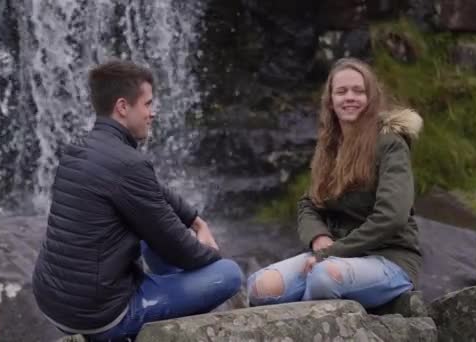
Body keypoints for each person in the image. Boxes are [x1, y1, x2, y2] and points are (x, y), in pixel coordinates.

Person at [32, 60, 243, 341]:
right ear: (122, 107)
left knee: (151, 235)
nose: (152, 113)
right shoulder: (128, 164)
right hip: (101, 316)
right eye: (147, 104)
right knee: (228, 274)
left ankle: (169, 291)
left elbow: (154, 190)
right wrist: (211, 254)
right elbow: (179, 247)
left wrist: (195, 220)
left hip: (52, 299)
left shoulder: (79, 148)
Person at [247, 58, 423, 309]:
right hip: (334, 256)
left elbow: (392, 217)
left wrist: (331, 253)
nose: (349, 97)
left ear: (371, 97)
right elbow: (309, 203)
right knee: (260, 287)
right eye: (341, 91)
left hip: (390, 259)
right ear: (330, 100)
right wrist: (318, 237)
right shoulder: (330, 146)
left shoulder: (390, 144)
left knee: (323, 278)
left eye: (358, 91)